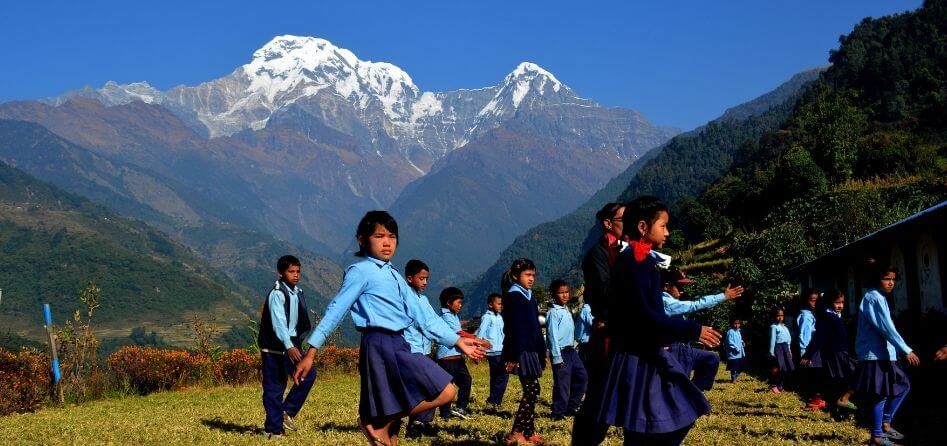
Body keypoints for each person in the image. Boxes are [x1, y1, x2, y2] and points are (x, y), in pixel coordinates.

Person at [293, 211, 488, 446]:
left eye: (392, 236)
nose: (387, 242)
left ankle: (380, 424)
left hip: (400, 342)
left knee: (393, 436)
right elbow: (336, 310)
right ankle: (375, 423)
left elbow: (424, 317)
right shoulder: (361, 271)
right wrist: (311, 351)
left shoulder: (393, 273)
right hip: (380, 344)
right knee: (447, 391)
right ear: (362, 240)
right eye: (379, 236)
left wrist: (457, 341)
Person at [579, 196, 721, 446]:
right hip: (639, 357)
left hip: (643, 352)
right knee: (654, 427)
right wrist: (692, 329)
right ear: (643, 227)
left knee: (647, 428)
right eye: (663, 226)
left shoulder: (640, 260)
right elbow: (644, 317)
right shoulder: (636, 262)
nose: (667, 233)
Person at [573, 202, 625, 445]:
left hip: (623, 332)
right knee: (600, 397)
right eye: (624, 220)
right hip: (609, 333)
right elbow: (605, 292)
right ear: (608, 223)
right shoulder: (599, 254)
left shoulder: (624, 251)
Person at [853, 263, 920, 446]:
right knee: (879, 394)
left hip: (885, 354)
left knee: (902, 385)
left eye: (893, 279)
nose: (891, 283)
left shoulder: (879, 297)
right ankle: (876, 436)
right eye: (886, 279)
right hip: (874, 354)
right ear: (877, 279)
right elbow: (886, 327)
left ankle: (885, 423)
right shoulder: (873, 297)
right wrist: (906, 349)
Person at [258, 255, 317, 438]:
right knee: (275, 386)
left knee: (308, 374)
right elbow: (278, 323)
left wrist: (294, 344)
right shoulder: (277, 294)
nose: (296, 275)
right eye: (291, 271)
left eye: (298, 271)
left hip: (292, 345)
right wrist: (288, 345)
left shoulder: (296, 292)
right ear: (281, 273)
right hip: (276, 348)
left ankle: (285, 413)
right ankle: (273, 430)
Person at [660, 267, 743, 390]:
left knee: (711, 359)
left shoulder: (672, 302)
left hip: (684, 348)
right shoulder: (666, 302)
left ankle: (694, 392)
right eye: (679, 286)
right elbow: (695, 305)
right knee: (678, 386)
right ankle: (687, 395)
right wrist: (723, 296)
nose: (682, 290)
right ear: (666, 286)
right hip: (675, 350)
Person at [501, 258, 547, 445]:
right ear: (514, 276)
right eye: (527, 275)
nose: (531, 279)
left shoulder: (530, 296)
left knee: (533, 390)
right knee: (530, 390)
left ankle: (529, 432)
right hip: (520, 351)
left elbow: (535, 327)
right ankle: (515, 432)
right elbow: (513, 328)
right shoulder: (513, 297)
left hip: (531, 351)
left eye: (533, 275)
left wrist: (542, 351)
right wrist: (513, 355)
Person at [800, 290, 857, 411]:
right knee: (856, 374)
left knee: (839, 378)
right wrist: (808, 354)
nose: (840, 305)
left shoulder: (836, 316)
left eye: (842, 302)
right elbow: (819, 337)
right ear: (830, 303)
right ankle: (843, 399)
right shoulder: (828, 317)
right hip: (836, 353)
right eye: (837, 302)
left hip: (841, 352)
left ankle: (831, 403)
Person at [401, 259, 438, 439]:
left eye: (427, 279)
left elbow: (434, 322)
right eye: (421, 278)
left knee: (428, 388)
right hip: (411, 350)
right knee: (426, 387)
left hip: (424, 351)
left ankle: (421, 422)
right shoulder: (405, 297)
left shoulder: (423, 299)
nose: (425, 282)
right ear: (409, 278)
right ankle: (415, 424)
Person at [546, 279, 589, 420]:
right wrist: (556, 357)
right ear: (554, 294)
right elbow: (552, 336)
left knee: (582, 377)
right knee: (562, 383)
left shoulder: (566, 310)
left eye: (566, 292)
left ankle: (572, 406)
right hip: (561, 352)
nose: (564, 295)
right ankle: (558, 412)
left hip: (571, 351)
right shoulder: (553, 312)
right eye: (561, 293)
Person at [436, 287, 475, 420]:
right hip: (447, 358)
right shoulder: (446, 316)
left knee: (466, 381)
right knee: (448, 386)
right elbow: (460, 333)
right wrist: (478, 340)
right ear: (448, 303)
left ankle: (459, 408)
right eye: (458, 302)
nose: (460, 305)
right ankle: (445, 413)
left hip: (456, 357)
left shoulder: (453, 316)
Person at [475, 293, 508, 410]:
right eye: (498, 304)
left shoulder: (500, 317)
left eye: (502, 304)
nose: (501, 306)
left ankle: (493, 399)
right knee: (502, 375)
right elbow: (481, 332)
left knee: (496, 376)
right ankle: (495, 400)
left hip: (501, 350)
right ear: (490, 305)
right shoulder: (487, 317)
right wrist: (478, 349)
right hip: (493, 351)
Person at [796, 289, 825, 410]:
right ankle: (813, 401)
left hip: (814, 350)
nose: (815, 303)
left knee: (817, 375)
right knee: (813, 376)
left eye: (817, 301)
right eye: (812, 301)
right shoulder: (806, 316)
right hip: (810, 351)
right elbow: (804, 336)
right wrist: (805, 353)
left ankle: (817, 400)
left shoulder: (813, 314)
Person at [769, 308, 793, 393]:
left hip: (785, 348)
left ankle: (781, 385)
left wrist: (789, 350)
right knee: (779, 367)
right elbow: (772, 339)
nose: (780, 317)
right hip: (778, 348)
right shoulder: (774, 327)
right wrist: (771, 351)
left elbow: (788, 340)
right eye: (778, 315)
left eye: (782, 315)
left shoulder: (784, 327)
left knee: (786, 368)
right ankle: (773, 384)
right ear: (775, 316)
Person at [574, 297, 594, 366]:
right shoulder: (587, 310)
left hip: (584, 343)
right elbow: (592, 324)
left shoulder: (585, 310)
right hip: (586, 344)